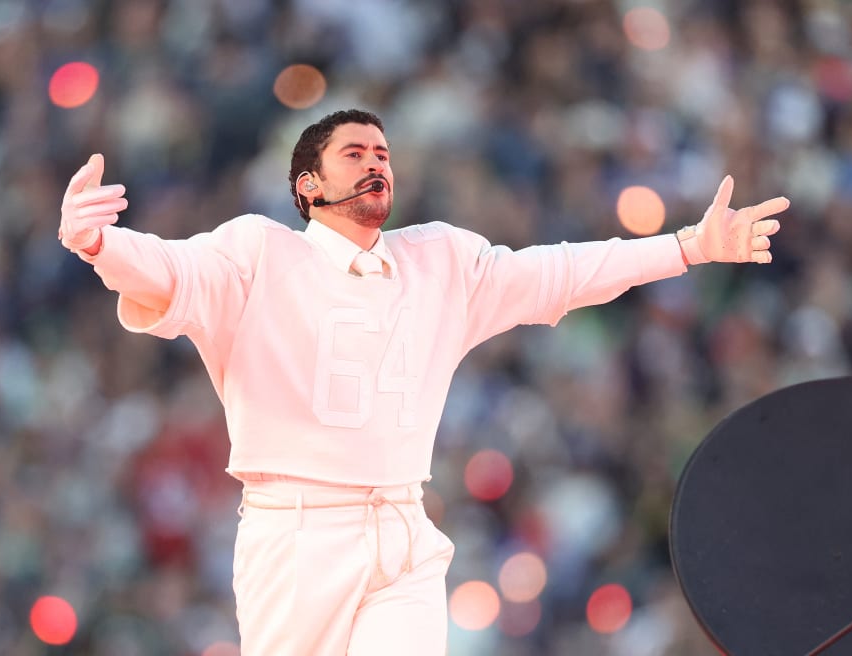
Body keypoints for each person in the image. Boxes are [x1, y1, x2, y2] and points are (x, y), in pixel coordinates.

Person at [58, 108, 789, 655]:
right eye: (354, 154)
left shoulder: (439, 261)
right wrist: (99, 244)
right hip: (297, 535)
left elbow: (561, 272)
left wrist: (686, 247)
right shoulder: (256, 252)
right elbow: (168, 268)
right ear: (308, 185)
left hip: (403, 525)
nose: (376, 163)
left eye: (383, 153)